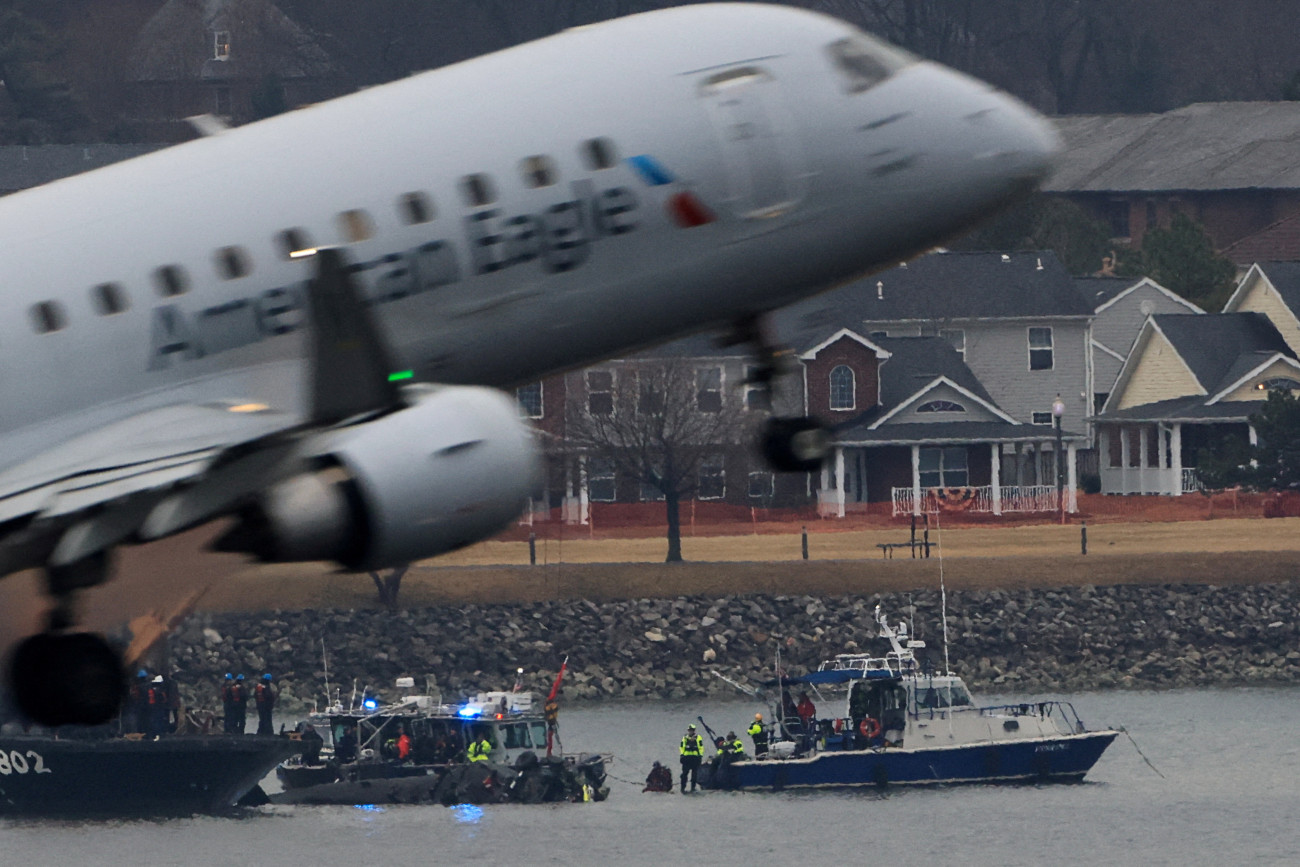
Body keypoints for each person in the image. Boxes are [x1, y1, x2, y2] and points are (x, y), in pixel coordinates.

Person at [679, 723, 703, 793]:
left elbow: (701, 748)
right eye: (689, 730)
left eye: (692, 730)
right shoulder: (685, 738)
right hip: (686, 759)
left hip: (695, 759)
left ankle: (693, 788)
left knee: (694, 774)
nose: (690, 731)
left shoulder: (698, 738)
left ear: (694, 731)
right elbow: (681, 747)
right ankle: (682, 788)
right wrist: (682, 756)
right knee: (684, 774)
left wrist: (700, 756)